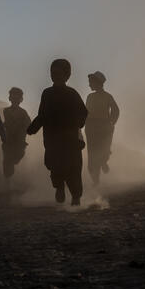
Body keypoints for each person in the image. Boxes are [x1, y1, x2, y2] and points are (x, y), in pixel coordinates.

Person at [27, 59, 88, 205]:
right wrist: (32, 128)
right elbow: (42, 114)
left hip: (71, 139)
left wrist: (77, 124)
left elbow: (83, 112)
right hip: (52, 139)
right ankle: (59, 187)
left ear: (67, 75)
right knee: (55, 166)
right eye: (52, 73)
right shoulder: (46, 94)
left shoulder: (72, 94)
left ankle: (76, 196)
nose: (54, 76)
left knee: (73, 168)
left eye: (58, 73)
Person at [85, 71, 120, 185]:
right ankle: (96, 181)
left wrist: (111, 122)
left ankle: (103, 163)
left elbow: (115, 110)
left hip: (104, 128)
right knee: (92, 156)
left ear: (97, 83)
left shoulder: (107, 96)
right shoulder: (90, 97)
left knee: (102, 152)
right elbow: (85, 113)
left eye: (91, 82)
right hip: (91, 128)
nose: (89, 84)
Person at [2, 87, 31, 181]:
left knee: (16, 158)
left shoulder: (23, 113)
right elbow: (2, 123)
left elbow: (29, 125)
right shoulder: (5, 111)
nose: (14, 99)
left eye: (17, 98)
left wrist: (24, 129)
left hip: (19, 142)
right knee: (7, 163)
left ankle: (11, 178)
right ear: (10, 98)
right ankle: (7, 183)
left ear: (20, 100)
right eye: (13, 97)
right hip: (8, 141)